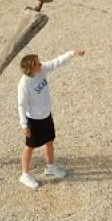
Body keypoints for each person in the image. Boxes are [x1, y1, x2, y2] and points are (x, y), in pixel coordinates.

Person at [17, 49, 85, 190]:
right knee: (29, 147)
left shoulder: (42, 70)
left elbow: (56, 62)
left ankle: (50, 167)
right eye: (37, 63)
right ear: (31, 68)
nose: (41, 64)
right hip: (33, 120)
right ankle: (25, 174)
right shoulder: (24, 84)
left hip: (46, 115)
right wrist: (24, 125)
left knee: (49, 142)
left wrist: (72, 54)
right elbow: (21, 105)